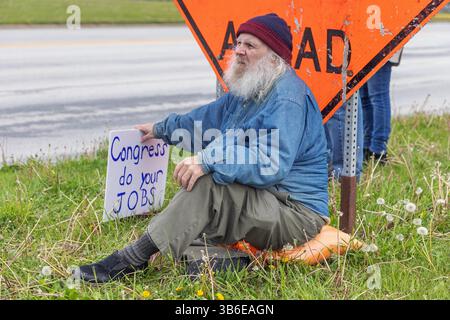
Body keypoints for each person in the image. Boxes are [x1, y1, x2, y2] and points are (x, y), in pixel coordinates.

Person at [78, 13, 330, 283]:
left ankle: (130, 260)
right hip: (265, 199)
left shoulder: (286, 99)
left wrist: (209, 160)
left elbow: (270, 162)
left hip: (295, 213)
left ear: (274, 57)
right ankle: (226, 262)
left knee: (208, 184)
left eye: (251, 45)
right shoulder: (252, 90)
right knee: (192, 217)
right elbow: (204, 123)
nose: (240, 51)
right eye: (239, 43)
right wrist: (161, 129)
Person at [360, 47, 402, 163]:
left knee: (378, 97)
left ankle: (378, 150)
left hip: (382, 45)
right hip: (363, 46)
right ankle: (367, 146)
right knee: (364, 98)